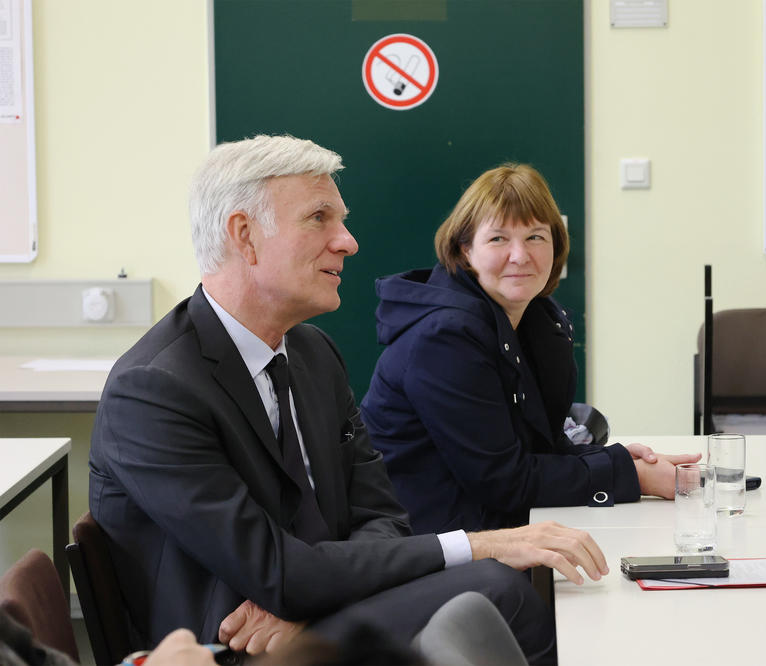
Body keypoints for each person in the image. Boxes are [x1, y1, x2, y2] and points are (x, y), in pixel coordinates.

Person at [88, 136, 608, 663]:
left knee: (496, 590)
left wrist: (311, 591)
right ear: (244, 236)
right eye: (319, 218)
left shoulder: (313, 353)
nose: (347, 242)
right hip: (228, 648)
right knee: (496, 590)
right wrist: (481, 542)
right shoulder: (154, 390)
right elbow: (273, 571)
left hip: (307, 610)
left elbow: (383, 514)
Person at [361, 164, 701, 534]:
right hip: (430, 541)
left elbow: (535, 452)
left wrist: (624, 461)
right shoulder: (444, 337)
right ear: (465, 251)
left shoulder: (538, 318)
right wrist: (632, 476)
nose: (520, 256)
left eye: (536, 237)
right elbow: (503, 480)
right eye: (498, 239)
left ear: (556, 245)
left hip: (489, 522)